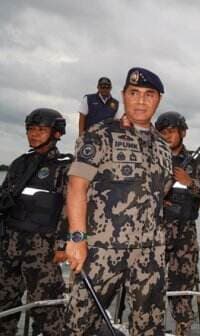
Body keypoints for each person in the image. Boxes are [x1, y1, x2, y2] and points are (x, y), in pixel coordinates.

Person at [64, 67, 173, 335]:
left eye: (149, 94)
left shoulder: (163, 146)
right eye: (134, 93)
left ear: (158, 99)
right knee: (80, 323)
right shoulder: (101, 134)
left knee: (149, 325)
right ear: (123, 96)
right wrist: (77, 237)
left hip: (151, 252)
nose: (141, 100)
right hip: (103, 250)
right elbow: (77, 186)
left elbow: (162, 192)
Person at [0, 108, 71, 336]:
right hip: (9, 245)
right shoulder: (20, 164)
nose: (34, 134)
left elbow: (70, 208)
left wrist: (61, 244)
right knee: (4, 302)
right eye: (31, 129)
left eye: (41, 130)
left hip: (42, 250)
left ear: (57, 133)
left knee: (47, 308)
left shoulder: (64, 167)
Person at [155, 111, 200, 335]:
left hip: (184, 236)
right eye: (162, 132)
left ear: (182, 133)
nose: (166, 136)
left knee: (182, 289)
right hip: (154, 235)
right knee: (149, 288)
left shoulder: (195, 162)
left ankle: (183, 330)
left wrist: (190, 182)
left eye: (171, 131)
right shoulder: (150, 159)